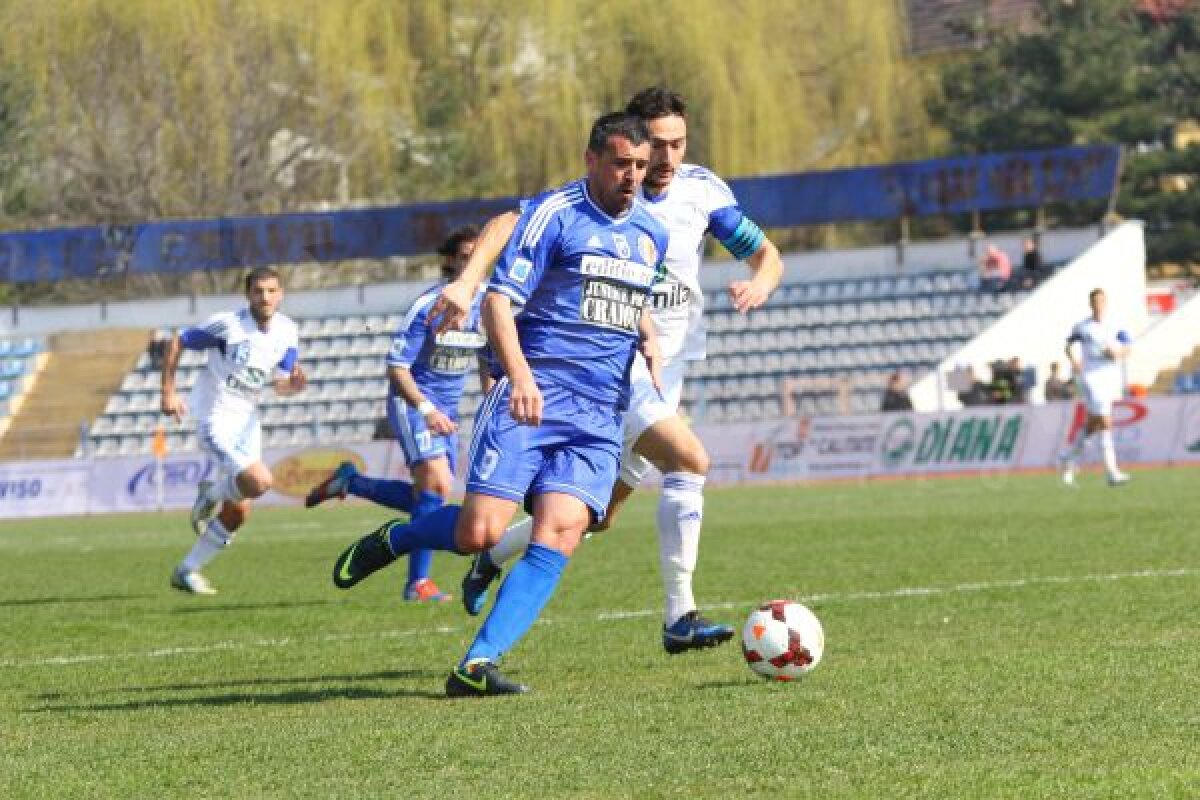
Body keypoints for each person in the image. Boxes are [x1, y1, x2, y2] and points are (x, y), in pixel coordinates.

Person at [329, 111, 670, 696]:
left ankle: (476, 664)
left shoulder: (650, 233)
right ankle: (398, 538)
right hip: (531, 398)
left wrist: (648, 332)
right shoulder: (554, 214)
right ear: (592, 160)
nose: (632, 175)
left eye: (640, 165)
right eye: (621, 163)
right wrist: (519, 376)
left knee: (562, 529)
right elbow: (498, 303)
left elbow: (622, 290)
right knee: (479, 535)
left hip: (598, 413)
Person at [441, 87, 784, 654]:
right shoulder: (602, 194)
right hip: (612, 372)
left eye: (677, 144)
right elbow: (506, 222)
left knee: (595, 520)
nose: (666, 158)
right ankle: (680, 616)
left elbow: (766, 253)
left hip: (667, 370)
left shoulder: (702, 194)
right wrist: (467, 281)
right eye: (656, 145)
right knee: (691, 459)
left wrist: (760, 283)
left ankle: (491, 556)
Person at [305, 226, 490, 603]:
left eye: (479, 254)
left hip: (449, 412)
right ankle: (417, 583)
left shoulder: (488, 305)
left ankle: (351, 483)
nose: (472, 261)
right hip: (414, 403)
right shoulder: (429, 305)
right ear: (452, 261)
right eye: (465, 255)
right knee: (437, 486)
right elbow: (397, 367)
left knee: (430, 498)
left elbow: (489, 357)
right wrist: (425, 408)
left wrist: (492, 397)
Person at [163, 267, 305, 595]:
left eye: (271, 291)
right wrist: (168, 393)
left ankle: (187, 570)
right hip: (215, 417)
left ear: (280, 294)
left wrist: (293, 386)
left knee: (240, 508)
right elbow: (178, 341)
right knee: (260, 481)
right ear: (248, 294)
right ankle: (211, 493)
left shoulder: (288, 331)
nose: (265, 297)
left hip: (247, 422)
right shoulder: (227, 325)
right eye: (258, 291)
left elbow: (280, 384)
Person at [1059, 288, 1131, 486]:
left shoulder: (1116, 324)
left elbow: (1128, 346)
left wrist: (1117, 353)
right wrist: (1074, 362)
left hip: (1110, 376)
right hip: (1091, 377)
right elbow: (1068, 345)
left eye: (1101, 301)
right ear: (1090, 304)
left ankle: (1068, 456)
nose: (1098, 305)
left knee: (1093, 425)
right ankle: (1112, 472)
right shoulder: (1083, 327)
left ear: (1106, 303)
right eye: (1095, 302)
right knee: (1106, 421)